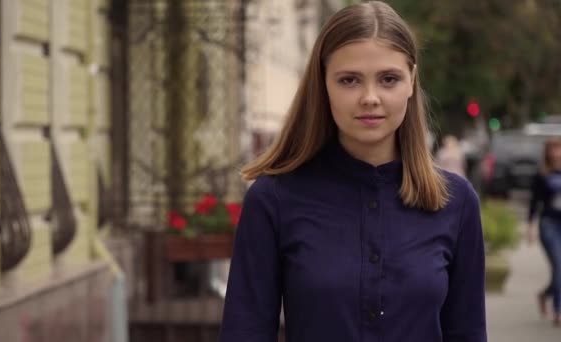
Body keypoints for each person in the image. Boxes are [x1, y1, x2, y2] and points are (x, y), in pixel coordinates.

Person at [219, 2, 487, 341]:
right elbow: (245, 332)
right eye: (349, 80)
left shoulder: (456, 203)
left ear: (411, 81)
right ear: (323, 83)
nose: (370, 97)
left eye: (389, 79)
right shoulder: (274, 199)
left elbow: (468, 332)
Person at [527, 137, 561, 327]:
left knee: (560, 270)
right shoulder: (542, 174)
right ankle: (558, 311)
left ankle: (545, 294)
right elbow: (534, 202)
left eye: (559, 149)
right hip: (549, 224)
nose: (556, 153)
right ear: (547, 152)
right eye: (553, 149)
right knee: (559, 265)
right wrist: (530, 226)